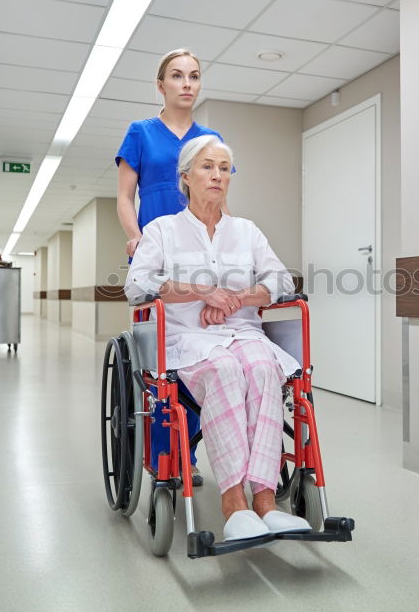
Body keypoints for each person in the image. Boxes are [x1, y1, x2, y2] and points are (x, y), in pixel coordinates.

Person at [125, 135, 311, 541]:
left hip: (243, 331)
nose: (217, 175)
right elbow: (137, 284)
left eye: (224, 168)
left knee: (263, 369)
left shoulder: (247, 232)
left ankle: (264, 501)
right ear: (186, 176)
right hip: (186, 338)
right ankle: (233, 502)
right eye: (208, 167)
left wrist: (236, 299)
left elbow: (280, 279)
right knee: (225, 371)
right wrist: (201, 291)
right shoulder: (162, 230)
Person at [116, 49, 226, 486]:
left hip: (198, 254)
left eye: (194, 76)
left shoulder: (210, 137)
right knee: (161, 361)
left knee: (199, 347)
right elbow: (126, 196)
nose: (186, 83)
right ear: (160, 85)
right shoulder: (141, 132)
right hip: (157, 255)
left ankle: (191, 452)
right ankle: (166, 453)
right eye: (177, 76)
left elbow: (217, 196)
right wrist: (137, 236)